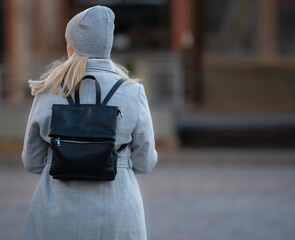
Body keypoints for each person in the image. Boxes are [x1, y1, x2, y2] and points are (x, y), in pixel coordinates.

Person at [21, 5, 157, 240]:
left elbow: (32, 161)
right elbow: (145, 163)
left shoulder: (48, 91)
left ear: (71, 45)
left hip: (56, 213)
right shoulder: (132, 92)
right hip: (118, 214)